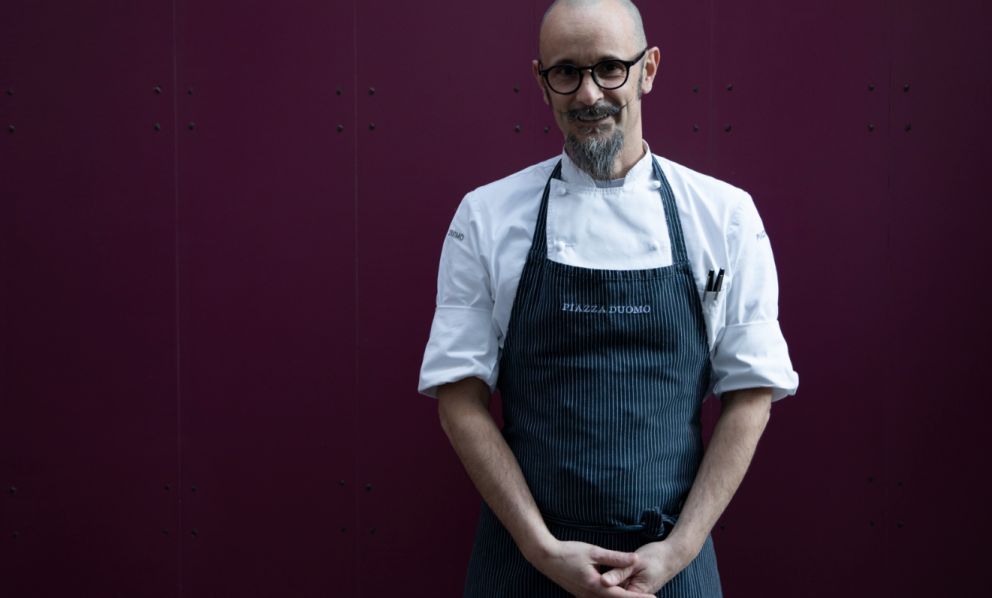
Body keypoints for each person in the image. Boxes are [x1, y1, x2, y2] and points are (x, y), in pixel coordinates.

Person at [418, 0, 799, 595]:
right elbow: (458, 399)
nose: (589, 94)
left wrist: (679, 550)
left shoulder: (723, 216)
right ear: (542, 83)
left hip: (671, 564)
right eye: (566, 72)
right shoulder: (487, 217)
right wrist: (541, 549)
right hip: (525, 564)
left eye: (609, 68)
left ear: (648, 69)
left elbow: (751, 395)